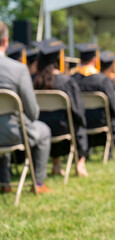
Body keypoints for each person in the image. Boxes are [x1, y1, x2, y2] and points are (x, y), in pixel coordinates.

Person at [0, 21, 52, 193]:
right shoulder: (17, 69)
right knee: (43, 130)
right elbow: (32, 112)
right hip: (12, 133)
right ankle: (38, 184)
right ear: (6, 41)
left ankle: (4, 183)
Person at [33, 38, 89, 177]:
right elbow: (77, 110)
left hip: (39, 127)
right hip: (63, 127)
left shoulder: (33, 80)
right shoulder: (66, 81)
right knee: (78, 125)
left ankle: (57, 164)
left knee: (50, 121)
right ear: (59, 59)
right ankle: (80, 163)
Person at [72, 43, 115, 152]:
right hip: (100, 120)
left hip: (80, 120)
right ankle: (108, 151)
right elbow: (114, 105)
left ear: (80, 60)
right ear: (94, 60)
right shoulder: (102, 80)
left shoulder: (72, 79)